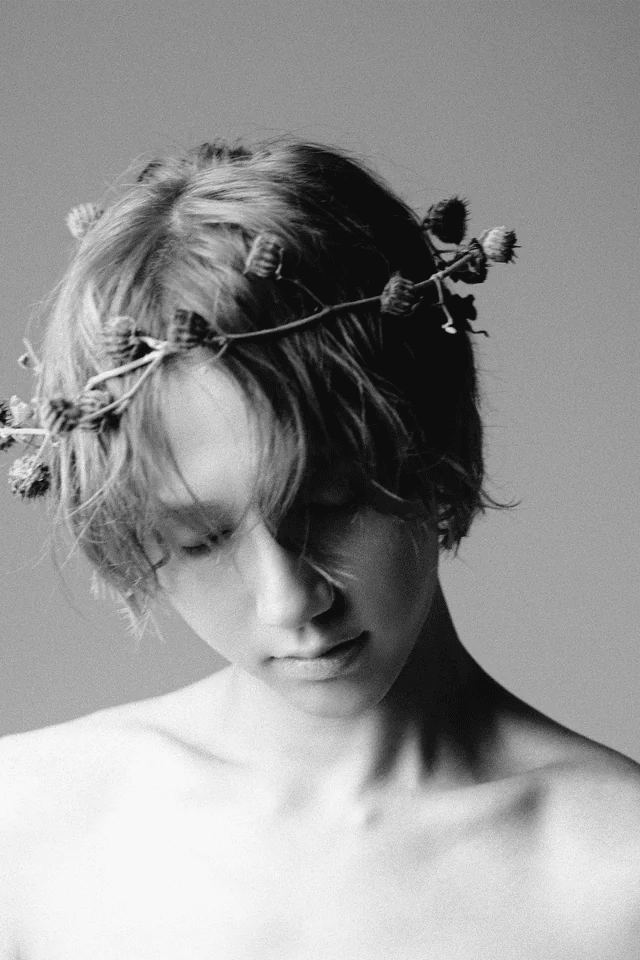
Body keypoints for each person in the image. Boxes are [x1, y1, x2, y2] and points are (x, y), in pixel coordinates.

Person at [0, 139, 638, 960]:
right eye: (204, 540)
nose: (290, 599)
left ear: (431, 439)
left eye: (329, 506)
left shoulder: (614, 874)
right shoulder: (27, 827)